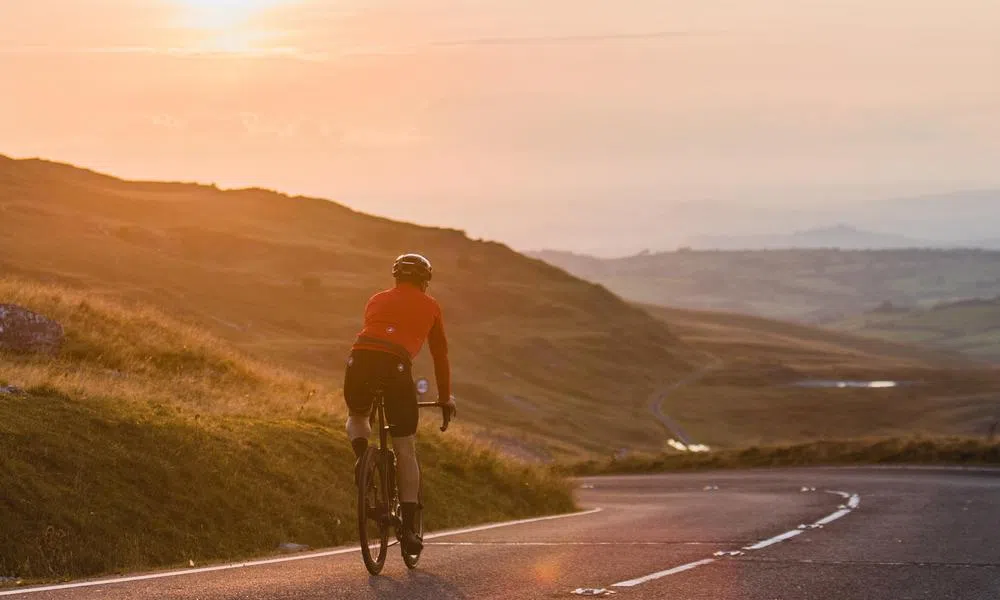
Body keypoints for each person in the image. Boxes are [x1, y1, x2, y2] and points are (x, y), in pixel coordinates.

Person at [343, 253, 457, 554]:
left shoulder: (376, 299)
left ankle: (361, 458)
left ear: (396, 278)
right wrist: (445, 397)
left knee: (357, 415)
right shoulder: (431, 306)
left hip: (359, 359)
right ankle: (408, 530)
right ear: (425, 281)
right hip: (396, 366)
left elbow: (377, 332)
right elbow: (440, 355)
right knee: (404, 446)